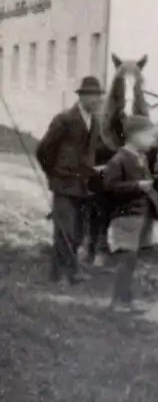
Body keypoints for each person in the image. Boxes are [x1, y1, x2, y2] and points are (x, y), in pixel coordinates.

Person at [35, 76, 102, 285]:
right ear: (81, 96)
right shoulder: (64, 119)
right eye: (93, 96)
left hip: (84, 186)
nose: (97, 100)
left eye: (99, 96)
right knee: (65, 231)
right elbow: (43, 149)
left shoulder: (96, 121)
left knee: (78, 232)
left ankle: (69, 272)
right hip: (64, 184)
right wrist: (54, 173)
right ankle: (62, 275)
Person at [96, 115, 158, 313]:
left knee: (131, 260)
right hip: (125, 216)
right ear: (134, 136)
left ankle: (126, 301)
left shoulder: (139, 158)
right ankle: (117, 302)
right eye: (150, 136)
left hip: (137, 216)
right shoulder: (120, 159)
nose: (153, 141)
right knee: (126, 259)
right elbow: (109, 187)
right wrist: (138, 186)